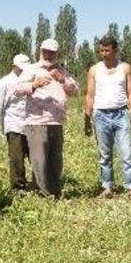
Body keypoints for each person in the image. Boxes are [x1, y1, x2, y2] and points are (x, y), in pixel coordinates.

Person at [14, 39, 79, 197]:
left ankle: (55, 192)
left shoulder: (62, 70)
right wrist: (34, 85)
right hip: (37, 122)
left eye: (52, 52)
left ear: (57, 54)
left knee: (55, 160)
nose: (48, 55)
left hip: (56, 121)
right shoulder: (31, 69)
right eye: (46, 51)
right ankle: (43, 194)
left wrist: (62, 79)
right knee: (39, 160)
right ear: (41, 51)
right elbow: (16, 89)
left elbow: (75, 91)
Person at [83, 35, 131, 199]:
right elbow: (89, 95)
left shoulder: (125, 68)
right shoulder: (95, 70)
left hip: (121, 114)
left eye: (107, 50)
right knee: (105, 154)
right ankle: (107, 187)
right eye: (101, 50)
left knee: (127, 153)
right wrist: (87, 120)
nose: (104, 53)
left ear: (115, 50)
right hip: (101, 115)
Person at [0, 53, 32, 192]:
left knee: (36, 157)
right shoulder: (4, 83)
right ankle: (18, 188)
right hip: (14, 125)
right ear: (13, 67)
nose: (23, 71)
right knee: (17, 158)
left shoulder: (32, 80)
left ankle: (39, 184)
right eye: (20, 68)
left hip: (31, 124)